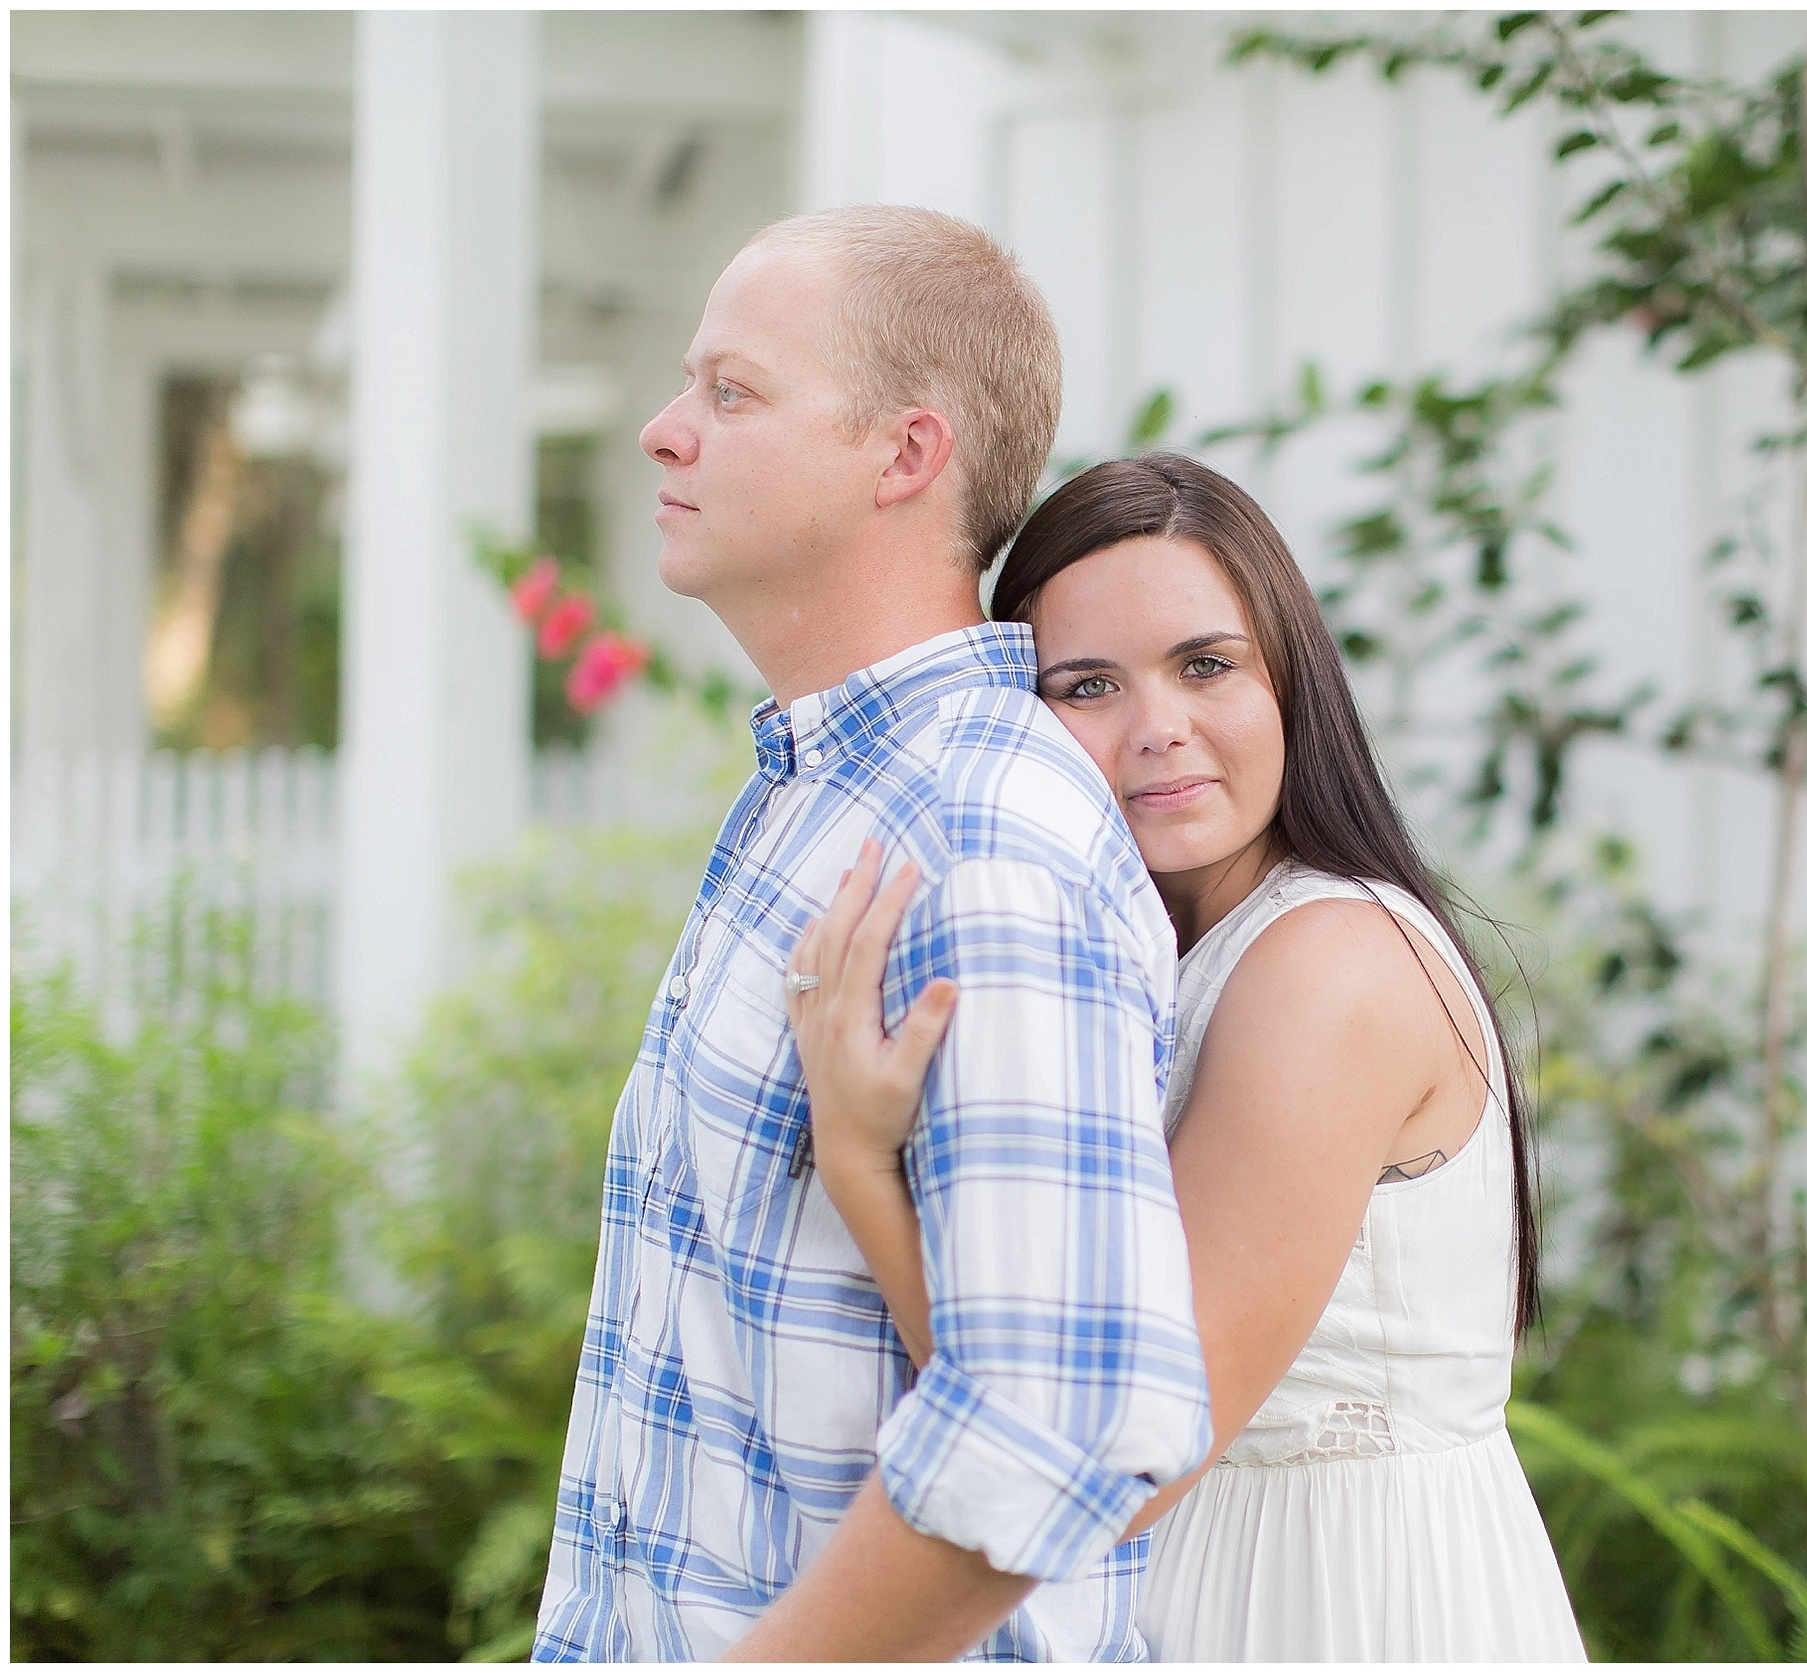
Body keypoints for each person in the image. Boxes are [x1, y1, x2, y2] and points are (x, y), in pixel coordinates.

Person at [530, 209, 1211, 1663]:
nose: (661, 432)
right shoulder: (821, 799)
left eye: (731, 391)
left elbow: (1058, 1420)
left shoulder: (986, 837)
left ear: (904, 456)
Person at [786, 453, 1588, 1661]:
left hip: (1335, 1602)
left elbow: (1099, 1463)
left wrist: (857, 1159)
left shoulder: (1326, 965)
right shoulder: (1152, 949)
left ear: (1290, 683)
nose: (1158, 729)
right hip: (1198, 1585)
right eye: (1087, 684)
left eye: (1205, 664)